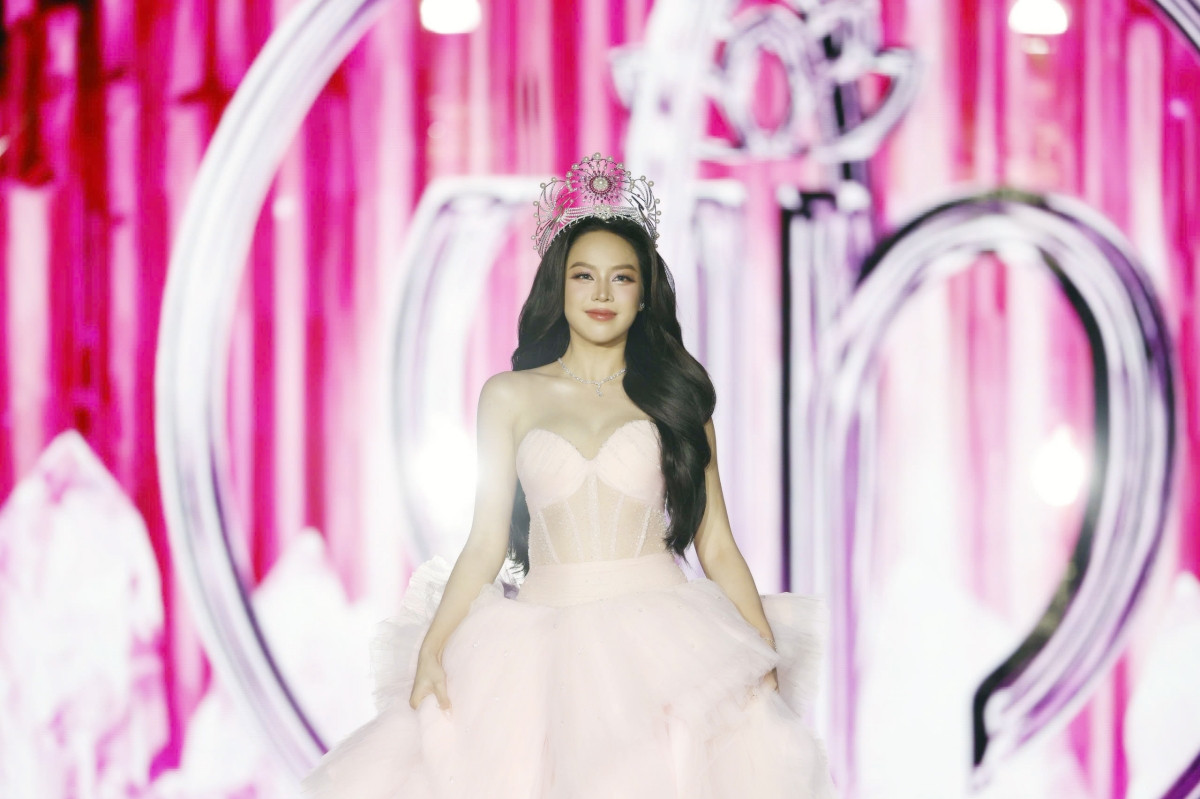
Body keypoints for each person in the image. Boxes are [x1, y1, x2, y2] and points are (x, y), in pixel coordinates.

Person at [300, 153, 838, 798]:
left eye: (621, 278)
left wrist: (761, 652)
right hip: (538, 644)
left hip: (665, 644)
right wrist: (434, 647)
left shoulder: (677, 401)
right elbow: (485, 541)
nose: (602, 294)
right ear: (560, 288)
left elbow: (716, 542)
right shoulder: (509, 396)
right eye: (584, 276)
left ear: (644, 295)